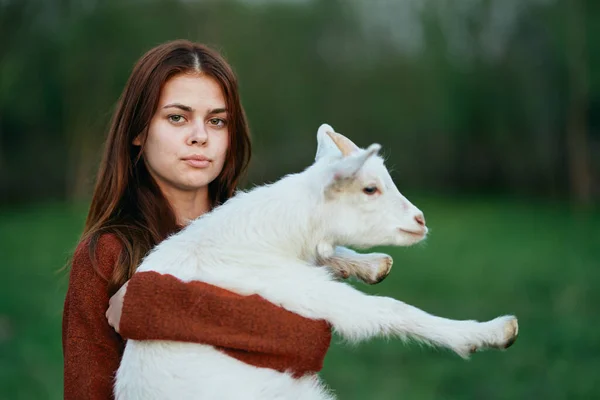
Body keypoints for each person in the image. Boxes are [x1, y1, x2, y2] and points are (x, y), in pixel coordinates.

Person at [62, 40, 332, 400]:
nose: (200, 137)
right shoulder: (107, 254)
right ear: (138, 131)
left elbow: (309, 341)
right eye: (177, 117)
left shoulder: (257, 233)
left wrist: (154, 304)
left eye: (217, 121)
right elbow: (86, 391)